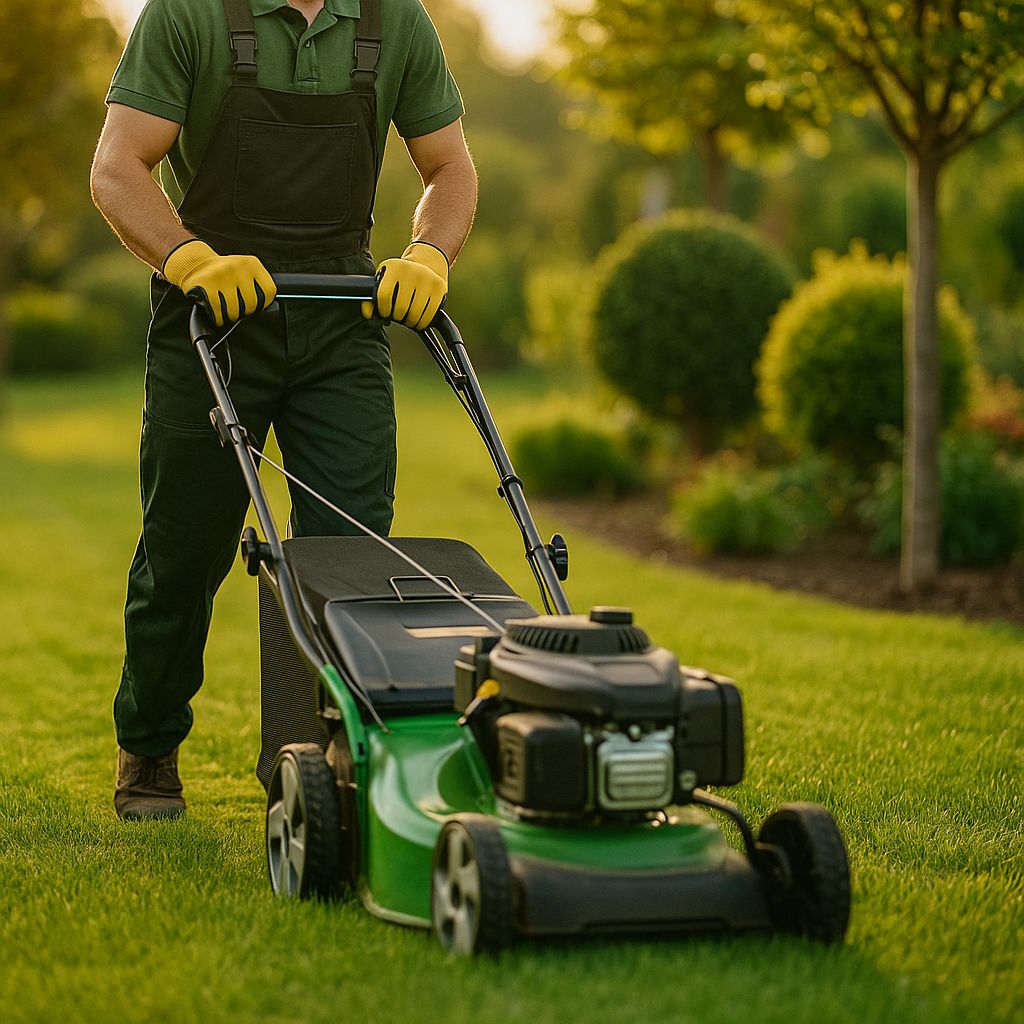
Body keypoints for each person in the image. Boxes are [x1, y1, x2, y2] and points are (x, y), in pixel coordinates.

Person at [90, 0, 477, 820]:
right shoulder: (188, 14)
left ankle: (320, 763)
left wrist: (429, 253)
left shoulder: (393, 20)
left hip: (342, 312)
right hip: (214, 315)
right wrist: (187, 254)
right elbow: (118, 167)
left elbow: (451, 168)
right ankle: (150, 744)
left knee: (350, 551)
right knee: (184, 545)